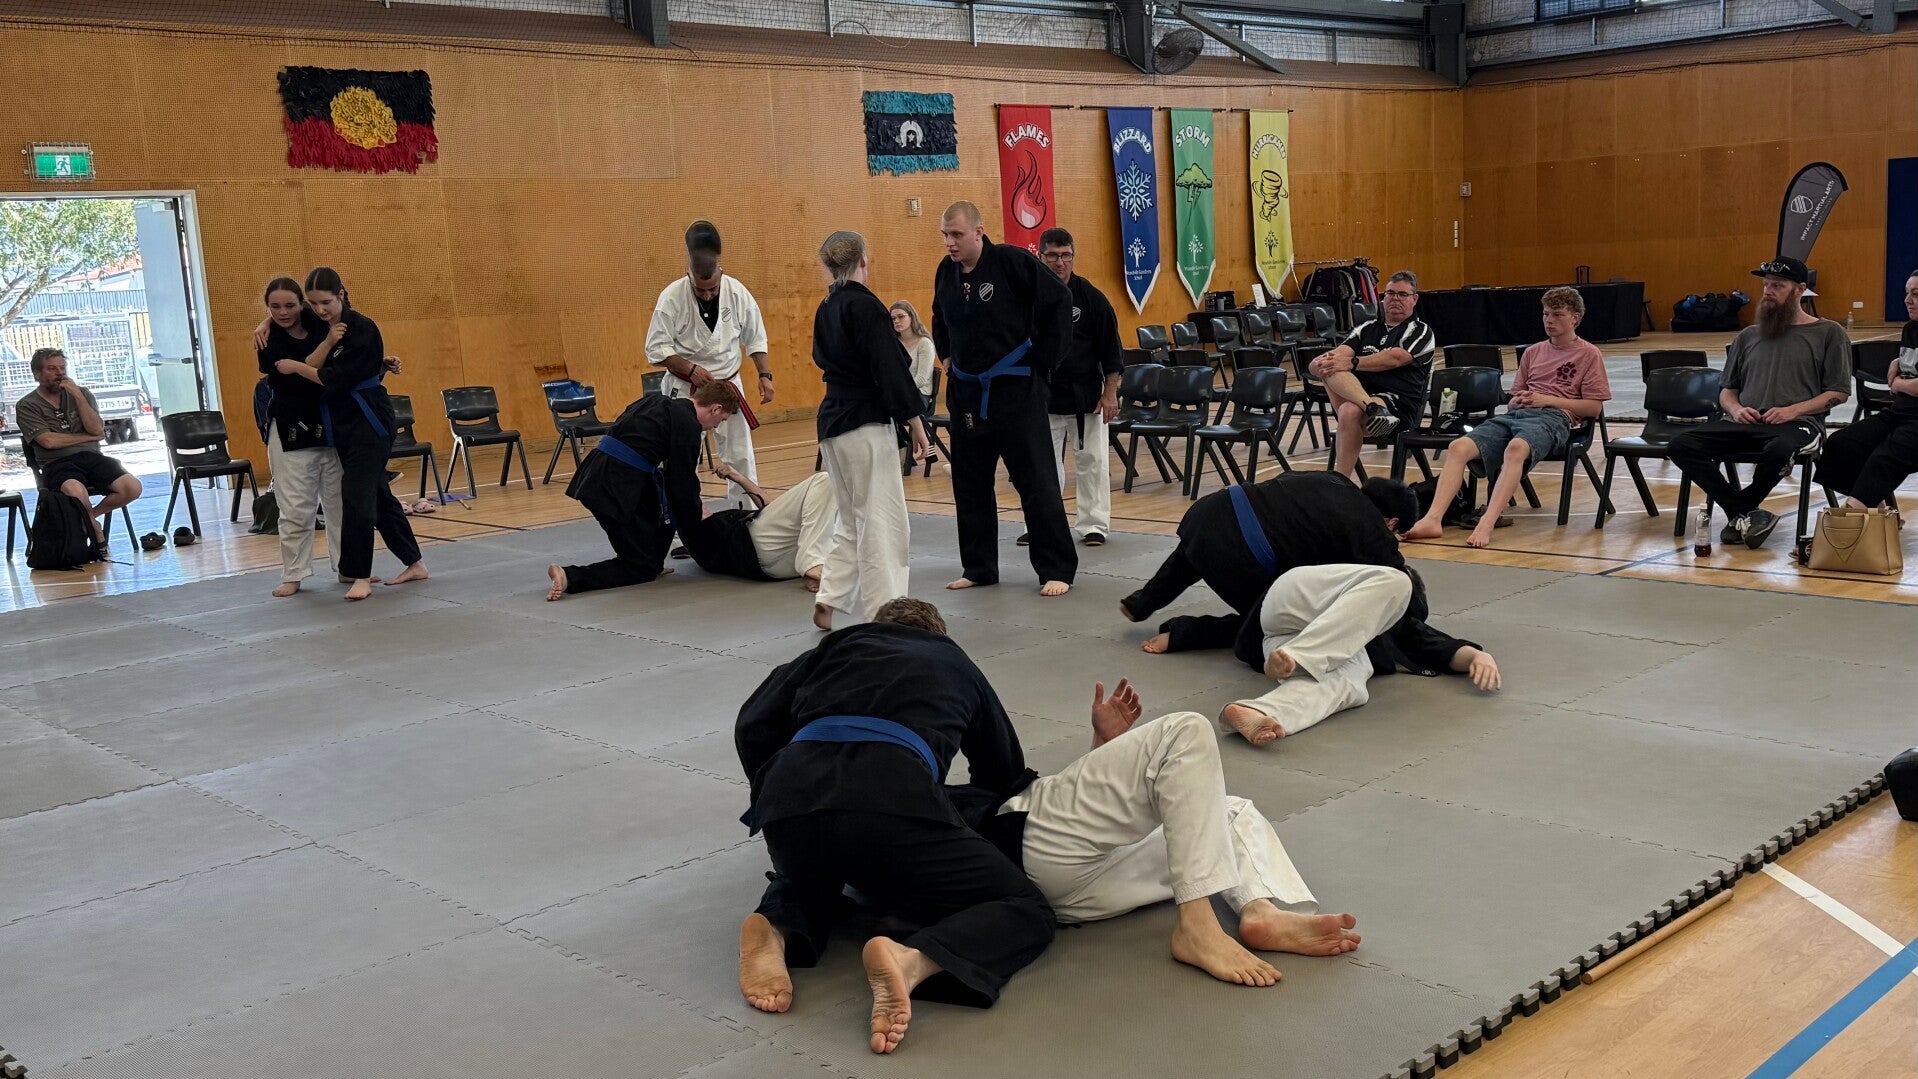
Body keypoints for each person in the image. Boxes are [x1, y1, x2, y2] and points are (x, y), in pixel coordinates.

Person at [734, 597, 1054, 1055]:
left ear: (877, 627)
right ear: (939, 634)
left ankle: (776, 926)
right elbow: (1003, 772)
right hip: (894, 800)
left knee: (816, 870)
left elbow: (752, 724)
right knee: (1025, 905)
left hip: (790, 801)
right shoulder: (954, 661)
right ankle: (913, 959)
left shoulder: (834, 648)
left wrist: (775, 791)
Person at [956, 692, 1362, 989]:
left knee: (1228, 811)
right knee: (1183, 731)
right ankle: (1197, 926)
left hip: (1065, 898)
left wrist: (1103, 747)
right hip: (1020, 834)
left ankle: (1259, 909)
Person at [932, 201, 1076, 597]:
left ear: (979, 232)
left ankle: (1056, 568)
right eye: (945, 235)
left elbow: (1059, 301)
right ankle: (979, 567)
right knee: (970, 484)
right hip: (966, 392)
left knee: (1036, 481)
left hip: (1016, 390)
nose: (950, 243)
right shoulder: (945, 271)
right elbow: (939, 316)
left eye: (957, 234)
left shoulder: (1012, 262)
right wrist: (946, 355)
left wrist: (1044, 362)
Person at [1402, 287, 1611, 548]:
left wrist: (1547, 400)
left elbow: (1594, 408)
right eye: (1546, 314)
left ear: (1575, 318)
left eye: (1557, 315)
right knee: (1458, 447)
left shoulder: (1589, 354)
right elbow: (1513, 398)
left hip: (1555, 418)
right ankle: (1433, 519)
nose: (1549, 320)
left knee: (1516, 448)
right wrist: (1516, 401)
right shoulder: (1533, 352)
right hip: (1519, 415)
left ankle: (1487, 521)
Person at [1121, 471, 1414, 654]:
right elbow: (1400, 584)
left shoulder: (1334, 479)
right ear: (1392, 522)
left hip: (1210, 510)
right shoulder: (1373, 528)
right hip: (1239, 551)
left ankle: (1141, 603)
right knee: (1278, 620)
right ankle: (1185, 634)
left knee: (1190, 557)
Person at [1667, 257, 1851, 549]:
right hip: (1744, 422)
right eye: (1766, 285)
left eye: (1777, 286)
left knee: (1779, 450)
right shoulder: (1748, 336)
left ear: (1800, 289)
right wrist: (1736, 409)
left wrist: (1793, 410)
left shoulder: (1828, 332)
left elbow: (1839, 392)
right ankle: (1744, 512)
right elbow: (1727, 391)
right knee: (1681, 445)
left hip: (1797, 424)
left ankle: (1739, 512)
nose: (1768, 291)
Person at [1219, 564, 1501, 747]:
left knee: (1353, 680)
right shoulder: (1376, 576)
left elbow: (1437, 646)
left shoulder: (1377, 621)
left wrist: (1477, 657)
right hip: (1298, 597)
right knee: (1398, 583)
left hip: (1283, 640)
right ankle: (1300, 657)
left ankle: (1260, 711)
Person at [811, 231, 931, 629]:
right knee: (883, 522)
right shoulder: (865, 306)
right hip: (864, 424)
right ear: (863, 259)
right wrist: (915, 421)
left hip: (833, 423)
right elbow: (889, 368)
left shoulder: (827, 306)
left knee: (851, 519)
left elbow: (820, 357)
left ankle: (830, 597)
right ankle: (887, 615)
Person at [295, 268, 428, 601]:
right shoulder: (321, 327)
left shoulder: (363, 328)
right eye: (313, 303)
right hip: (343, 423)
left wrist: (295, 367)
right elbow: (284, 317)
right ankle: (414, 563)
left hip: (370, 421)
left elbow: (336, 378)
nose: (320, 309)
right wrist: (265, 325)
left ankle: (359, 574)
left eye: (326, 302)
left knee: (355, 494)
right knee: (378, 495)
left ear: (341, 294)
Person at [546, 381, 738, 600]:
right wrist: (697, 515)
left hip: (603, 472)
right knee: (640, 566)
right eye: (721, 420)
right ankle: (569, 576)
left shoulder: (656, 401)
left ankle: (654, 561)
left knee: (661, 508)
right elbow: (682, 480)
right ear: (715, 409)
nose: (716, 427)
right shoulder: (688, 424)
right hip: (611, 487)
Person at [646, 220, 772, 510]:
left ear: (721, 272)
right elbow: (655, 348)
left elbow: (756, 337)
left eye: (712, 289)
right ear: (688, 274)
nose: (707, 295)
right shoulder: (671, 297)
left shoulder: (737, 292)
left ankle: (745, 513)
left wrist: (765, 375)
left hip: (728, 384)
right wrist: (690, 369)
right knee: (681, 454)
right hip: (686, 388)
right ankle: (682, 518)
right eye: (700, 290)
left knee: (740, 453)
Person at [255, 277, 345, 597]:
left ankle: (348, 566)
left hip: (331, 423)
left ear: (302, 303)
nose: (283, 313)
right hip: (289, 428)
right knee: (294, 507)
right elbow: (294, 380)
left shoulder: (321, 323)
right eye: (274, 307)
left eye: (290, 305)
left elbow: (342, 313)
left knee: (340, 503)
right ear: (267, 307)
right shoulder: (267, 340)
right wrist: (265, 323)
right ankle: (293, 573)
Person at [1307, 271, 1438, 480]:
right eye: (1390, 293)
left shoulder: (1421, 331)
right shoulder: (1366, 328)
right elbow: (1333, 357)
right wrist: (1318, 364)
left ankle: (1339, 481)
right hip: (1363, 402)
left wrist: (1353, 362)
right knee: (1335, 375)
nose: (1395, 299)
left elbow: (1395, 358)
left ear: (1414, 299)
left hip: (1398, 406)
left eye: (1402, 294)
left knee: (1348, 406)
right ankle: (1342, 481)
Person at [1037, 227, 1122, 547]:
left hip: (1086, 395)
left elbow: (1111, 351)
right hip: (1043, 395)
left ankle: (1094, 524)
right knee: (1042, 466)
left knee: (1092, 462)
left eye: (1066, 255)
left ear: (1073, 256)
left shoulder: (1091, 298)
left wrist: (1110, 393)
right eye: (1053, 256)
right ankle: (1044, 524)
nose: (1060, 262)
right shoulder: (1030, 296)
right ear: (1040, 256)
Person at [13, 347, 143, 555]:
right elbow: (48, 441)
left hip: (92, 458)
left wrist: (77, 396)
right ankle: (96, 532)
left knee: (132, 487)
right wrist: (88, 437)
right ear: (37, 374)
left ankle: (87, 521)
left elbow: (96, 429)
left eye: (62, 368)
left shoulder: (82, 393)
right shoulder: (27, 405)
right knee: (75, 490)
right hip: (57, 463)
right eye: (52, 369)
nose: (59, 373)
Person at [1818, 272, 1918, 510]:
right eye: (1907, 293)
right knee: (1841, 443)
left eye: (1915, 294)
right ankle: (1877, 512)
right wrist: (1899, 364)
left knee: (1884, 457)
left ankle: (1851, 517)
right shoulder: (1911, 329)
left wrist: (1897, 384)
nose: (1907, 300)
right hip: (1900, 412)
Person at [690, 462, 836, 588]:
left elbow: (773, 510)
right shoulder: (705, 533)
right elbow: (773, 510)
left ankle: (813, 564)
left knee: (825, 481)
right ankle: (813, 563)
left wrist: (739, 477)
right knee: (825, 481)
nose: (705, 508)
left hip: (778, 564)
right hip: (763, 548)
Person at [891, 300, 939, 405]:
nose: (896, 321)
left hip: (919, 394)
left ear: (912, 317)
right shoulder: (894, 343)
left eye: (900, 316)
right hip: (899, 393)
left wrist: (897, 390)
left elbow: (921, 379)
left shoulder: (924, 343)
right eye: (893, 318)